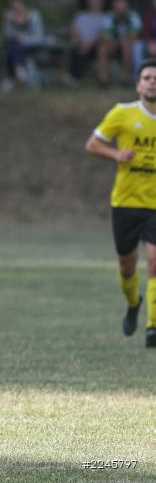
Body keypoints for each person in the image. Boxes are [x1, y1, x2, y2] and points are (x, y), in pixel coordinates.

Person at [84, 58, 156, 348]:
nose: (153, 81)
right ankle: (133, 302)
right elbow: (93, 144)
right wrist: (116, 155)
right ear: (138, 84)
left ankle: (153, 327)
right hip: (125, 202)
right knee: (128, 267)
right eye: (147, 77)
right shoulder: (122, 113)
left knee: (154, 262)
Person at [2, 0, 45, 90]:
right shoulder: (9, 15)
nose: (15, 6)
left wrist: (24, 39)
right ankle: (19, 68)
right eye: (13, 3)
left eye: (17, 3)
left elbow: (39, 37)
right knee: (12, 43)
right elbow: (8, 35)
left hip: (32, 45)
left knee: (12, 45)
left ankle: (10, 78)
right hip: (15, 45)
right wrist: (13, 22)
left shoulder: (34, 15)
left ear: (23, 3)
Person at [97, 0, 140, 87]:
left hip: (128, 44)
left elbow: (134, 35)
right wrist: (113, 41)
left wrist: (122, 41)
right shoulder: (109, 16)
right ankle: (103, 79)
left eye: (121, 3)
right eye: (117, 3)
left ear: (126, 4)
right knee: (102, 49)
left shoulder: (133, 16)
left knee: (127, 47)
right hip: (112, 43)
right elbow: (105, 34)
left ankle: (126, 79)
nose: (119, 5)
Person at [67, 0, 104, 85]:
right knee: (75, 50)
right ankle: (74, 78)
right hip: (81, 43)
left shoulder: (105, 17)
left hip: (96, 45)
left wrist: (90, 43)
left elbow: (103, 34)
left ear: (101, 2)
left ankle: (75, 78)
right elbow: (74, 31)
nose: (93, 2)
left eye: (96, 0)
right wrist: (81, 41)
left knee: (89, 50)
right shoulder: (81, 16)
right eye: (91, 0)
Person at [133, 0, 156, 80]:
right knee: (137, 46)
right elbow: (145, 32)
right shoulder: (149, 14)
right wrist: (149, 43)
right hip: (150, 42)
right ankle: (138, 76)